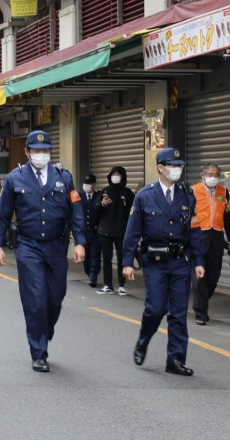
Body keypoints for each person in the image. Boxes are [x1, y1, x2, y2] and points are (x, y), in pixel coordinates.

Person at [0, 129, 85, 373]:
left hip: (56, 246)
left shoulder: (64, 177)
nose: (41, 155)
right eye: (36, 151)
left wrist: (81, 242)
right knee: (35, 300)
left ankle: (45, 329)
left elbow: (76, 211)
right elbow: (2, 215)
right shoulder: (15, 178)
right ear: (27, 152)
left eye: (45, 151)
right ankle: (38, 351)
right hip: (28, 246)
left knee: (54, 299)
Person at [122, 148, 205, 376]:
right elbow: (132, 233)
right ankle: (143, 340)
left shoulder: (187, 195)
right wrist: (127, 262)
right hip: (155, 262)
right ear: (160, 167)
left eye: (179, 165)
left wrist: (199, 261)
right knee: (156, 308)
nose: (177, 169)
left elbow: (195, 229)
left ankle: (175, 360)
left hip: (180, 262)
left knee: (178, 313)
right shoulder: (144, 196)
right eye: (172, 165)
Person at [191, 162, 230, 326]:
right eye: (210, 174)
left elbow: (228, 217)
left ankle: (201, 302)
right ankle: (200, 313)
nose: (213, 177)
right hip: (198, 237)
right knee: (199, 277)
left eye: (216, 175)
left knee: (213, 278)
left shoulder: (223, 192)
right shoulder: (193, 191)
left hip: (217, 238)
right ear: (203, 175)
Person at [94, 166, 134, 296]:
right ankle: (108, 285)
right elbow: (95, 208)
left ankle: (122, 285)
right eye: (113, 174)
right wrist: (103, 204)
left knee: (122, 258)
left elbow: (133, 213)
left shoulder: (128, 193)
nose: (115, 176)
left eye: (118, 174)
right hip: (105, 230)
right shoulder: (105, 191)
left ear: (123, 176)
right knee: (106, 258)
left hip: (121, 231)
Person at [80, 173, 101, 287]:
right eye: (85, 184)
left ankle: (93, 276)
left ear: (94, 185)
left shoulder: (99, 196)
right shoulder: (79, 196)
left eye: (89, 184)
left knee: (95, 255)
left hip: (96, 231)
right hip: (84, 232)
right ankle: (89, 272)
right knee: (86, 256)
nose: (86, 186)